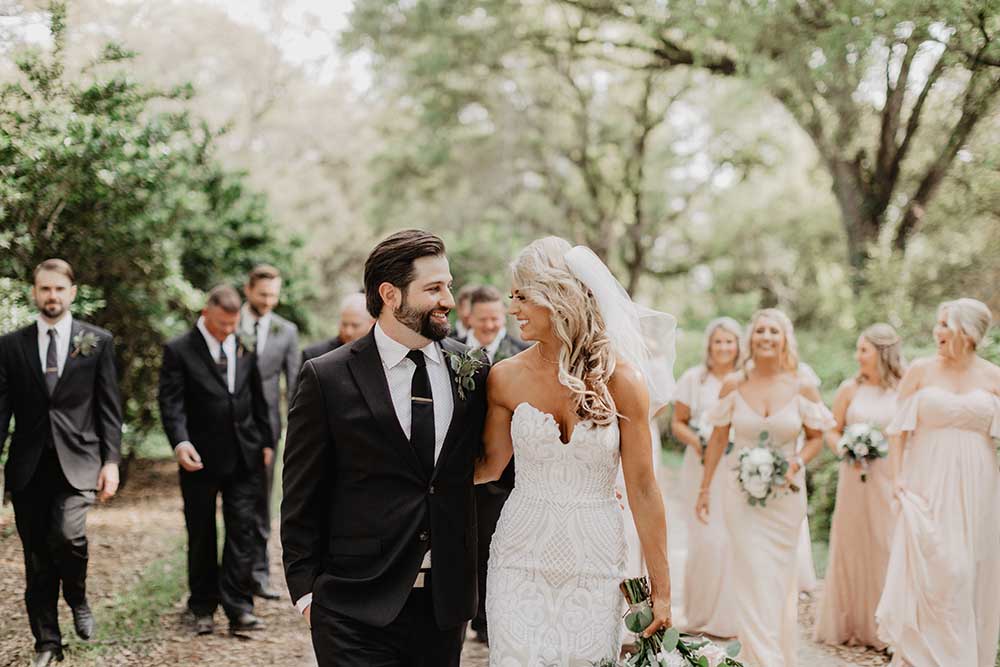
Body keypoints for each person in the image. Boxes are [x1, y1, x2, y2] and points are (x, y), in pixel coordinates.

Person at [281, 230, 489, 667]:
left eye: (448, 285)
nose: (448, 299)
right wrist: (305, 593)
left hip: (443, 606)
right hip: (352, 604)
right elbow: (301, 493)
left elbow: (490, 469)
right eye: (433, 288)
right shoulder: (327, 377)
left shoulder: (472, 368)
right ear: (390, 294)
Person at [477, 237, 673, 665]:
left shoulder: (623, 379)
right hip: (519, 554)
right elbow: (490, 467)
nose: (514, 310)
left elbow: (642, 488)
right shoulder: (504, 378)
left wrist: (662, 590)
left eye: (523, 297)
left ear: (558, 295)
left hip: (595, 557)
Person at [0, 259, 123, 667]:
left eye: (58, 289)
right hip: (28, 466)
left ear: (72, 292)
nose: (51, 296)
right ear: (34, 293)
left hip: (80, 462)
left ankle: (77, 595)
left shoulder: (97, 341)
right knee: (36, 557)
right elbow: (2, 413)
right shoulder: (10, 346)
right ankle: (47, 643)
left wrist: (111, 461)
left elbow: (109, 408)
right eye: (44, 289)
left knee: (69, 538)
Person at [696, 308, 834, 667]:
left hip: (786, 499)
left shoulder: (802, 384)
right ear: (750, 339)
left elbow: (817, 437)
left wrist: (798, 461)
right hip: (740, 495)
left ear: (785, 338)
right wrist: (704, 489)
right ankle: (764, 659)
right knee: (752, 574)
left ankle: (777, 653)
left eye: (774, 331)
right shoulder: (734, 385)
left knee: (777, 580)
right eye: (760, 331)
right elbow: (717, 440)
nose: (767, 337)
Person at [875, 298, 1000, 666]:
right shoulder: (920, 370)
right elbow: (897, 431)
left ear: (967, 331)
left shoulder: (993, 376)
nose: (937, 332)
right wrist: (897, 477)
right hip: (925, 480)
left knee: (968, 571)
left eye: (945, 324)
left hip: (978, 485)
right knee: (938, 567)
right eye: (938, 323)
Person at [158, 285, 274, 636]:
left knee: (243, 530)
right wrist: (180, 442)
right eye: (222, 323)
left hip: (244, 455)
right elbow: (171, 403)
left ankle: (239, 607)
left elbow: (257, 398)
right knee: (202, 533)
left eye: (232, 323)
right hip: (199, 458)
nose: (228, 330)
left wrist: (267, 441)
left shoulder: (245, 345)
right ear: (206, 312)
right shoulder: (178, 349)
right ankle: (202, 607)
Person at [814, 323, 904, 649]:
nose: (857, 356)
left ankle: (887, 627)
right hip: (853, 478)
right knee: (852, 543)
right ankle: (852, 622)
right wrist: (845, 448)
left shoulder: (905, 389)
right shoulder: (848, 390)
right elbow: (831, 430)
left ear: (882, 352)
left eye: (863, 349)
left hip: (889, 478)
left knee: (887, 544)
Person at [460, 285, 528, 644]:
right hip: (462, 464)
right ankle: (460, 611)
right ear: (468, 316)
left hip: (508, 472)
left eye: (495, 319)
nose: (489, 325)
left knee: (493, 546)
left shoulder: (524, 353)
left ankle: (487, 620)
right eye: (483, 319)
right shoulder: (451, 352)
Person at [670, 317, 742, 638]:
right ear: (709, 346)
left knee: (730, 539)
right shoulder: (693, 379)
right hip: (699, 465)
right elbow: (678, 423)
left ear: (739, 345)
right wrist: (702, 440)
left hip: (736, 468)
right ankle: (698, 613)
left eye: (730, 341)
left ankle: (730, 616)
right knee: (704, 540)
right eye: (718, 341)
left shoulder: (746, 380)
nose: (724, 347)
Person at [239, 264, 300, 599]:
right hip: (230, 422)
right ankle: (233, 571)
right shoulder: (231, 322)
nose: (268, 301)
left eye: (274, 296)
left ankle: (259, 573)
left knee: (262, 499)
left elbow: (293, 384)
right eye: (263, 294)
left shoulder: (286, 331)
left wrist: (295, 430)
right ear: (248, 291)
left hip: (267, 428)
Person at [300, 292, 374, 364]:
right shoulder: (314, 355)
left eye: (355, 325)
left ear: (372, 323)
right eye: (344, 324)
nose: (348, 332)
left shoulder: (379, 352)